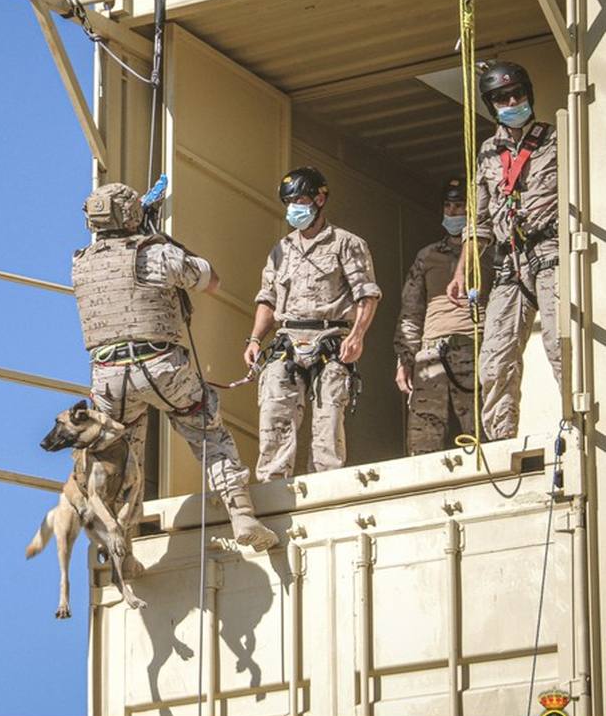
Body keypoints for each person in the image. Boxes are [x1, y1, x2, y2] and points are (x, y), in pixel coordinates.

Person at [72, 183, 277, 551]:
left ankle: (122, 547)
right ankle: (243, 516)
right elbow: (209, 279)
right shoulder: (154, 255)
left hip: (106, 377)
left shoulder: (80, 263)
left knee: (121, 460)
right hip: (160, 365)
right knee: (209, 434)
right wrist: (160, 239)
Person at [242, 167, 381, 480]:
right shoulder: (280, 250)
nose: (294, 207)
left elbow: (367, 295)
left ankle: (325, 484)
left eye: (300, 199)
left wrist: (357, 336)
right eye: (289, 201)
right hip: (287, 341)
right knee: (274, 412)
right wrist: (253, 340)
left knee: (328, 418)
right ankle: (272, 485)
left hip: (329, 339)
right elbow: (267, 299)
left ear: (319, 199)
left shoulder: (346, 243)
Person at [446, 61, 560, 440]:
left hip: (552, 252)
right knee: (495, 359)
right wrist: (463, 271)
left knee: (562, 346)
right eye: (502, 98)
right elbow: (477, 222)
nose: (512, 101)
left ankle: (579, 429)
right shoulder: (487, 154)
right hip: (511, 263)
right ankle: (500, 440)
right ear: (491, 105)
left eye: (517, 94)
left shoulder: (556, 140)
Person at [394, 177, 475, 455]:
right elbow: (411, 311)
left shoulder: (490, 253)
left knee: (481, 429)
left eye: (460, 205)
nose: (453, 212)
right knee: (423, 436)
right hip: (431, 351)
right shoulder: (427, 256)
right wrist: (405, 358)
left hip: (474, 344)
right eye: (448, 206)